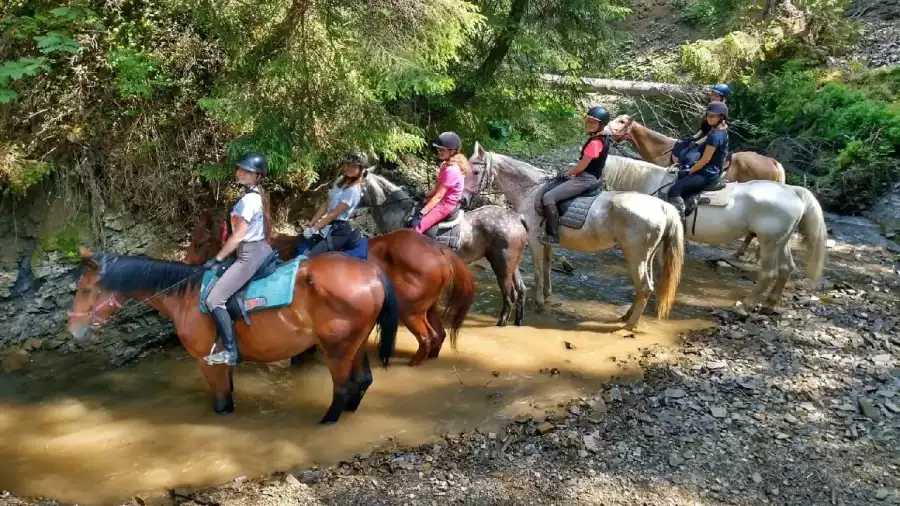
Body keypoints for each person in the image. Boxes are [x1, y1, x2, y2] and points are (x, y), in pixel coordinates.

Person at [202, 152, 274, 366]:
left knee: (213, 300)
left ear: (257, 177)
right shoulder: (254, 196)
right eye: (240, 169)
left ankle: (230, 352)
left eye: (246, 172)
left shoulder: (249, 201)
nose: (240, 173)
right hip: (256, 250)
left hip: (249, 255)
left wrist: (218, 257)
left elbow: (239, 235)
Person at [541, 105, 611, 245]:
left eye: (593, 122)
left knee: (548, 197)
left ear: (601, 125)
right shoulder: (603, 138)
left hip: (586, 178)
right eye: (588, 120)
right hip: (594, 175)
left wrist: (566, 173)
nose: (589, 124)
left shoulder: (595, 143)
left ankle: (552, 235)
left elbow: (581, 166)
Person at [667, 102, 730, 219]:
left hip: (707, 174)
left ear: (721, 117)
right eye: (708, 115)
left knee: (674, 190)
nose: (709, 118)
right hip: (711, 170)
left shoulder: (715, 136)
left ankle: (678, 223)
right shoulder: (721, 130)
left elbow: (705, 160)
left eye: (712, 116)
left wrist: (690, 171)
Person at [299, 149, 366, 256]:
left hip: (339, 230)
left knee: (310, 256)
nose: (349, 167)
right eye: (348, 164)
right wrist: (312, 222)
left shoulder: (354, 191)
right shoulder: (340, 181)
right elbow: (327, 203)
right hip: (328, 224)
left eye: (354, 166)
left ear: (361, 169)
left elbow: (333, 214)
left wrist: (315, 228)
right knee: (301, 242)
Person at [414, 131, 467, 235]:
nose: (438, 151)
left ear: (452, 151)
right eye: (438, 149)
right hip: (441, 199)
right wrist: (424, 196)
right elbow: (437, 189)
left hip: (445, 205)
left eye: (442, 150)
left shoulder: (452, 170)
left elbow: (438, 196)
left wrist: (423, 211)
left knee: (416, 228)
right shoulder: (445, 164)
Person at [673, 83, 731, 165]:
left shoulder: (722, 111)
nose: (713, 97)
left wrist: (698, 142)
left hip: (711, 141)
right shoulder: (712, 106)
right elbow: (705, 125)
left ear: (723, 98)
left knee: (687, 157)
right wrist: (694, 137)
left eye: (716, 96)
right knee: (680, 144)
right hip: (703, 136)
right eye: (713, 95)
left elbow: (714, 131)